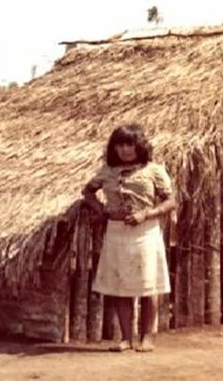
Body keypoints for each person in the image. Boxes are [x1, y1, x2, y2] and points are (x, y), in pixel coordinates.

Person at [82, 124, 177, 352]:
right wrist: (103, 211)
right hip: (116, 231)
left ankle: (147, 337)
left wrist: (147, 213)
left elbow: (171, 201)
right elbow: (87, 192)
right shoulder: (108, 171)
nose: (124, 150)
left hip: (145, 232)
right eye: (120, 145)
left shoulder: (153, 170)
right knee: (121, 285)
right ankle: (126, 338)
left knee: (147, 285)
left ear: (139, 146)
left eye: (129, 144)